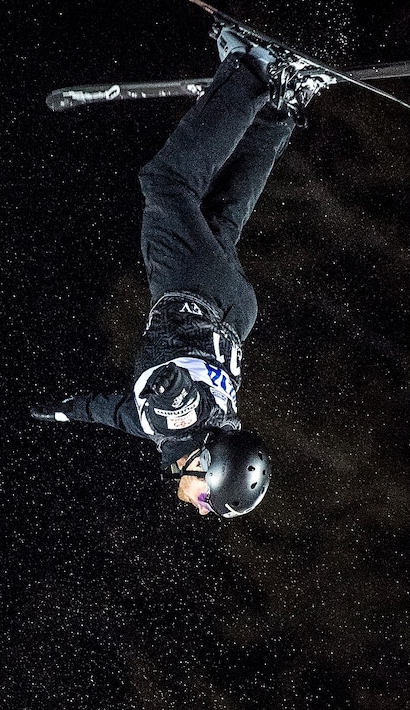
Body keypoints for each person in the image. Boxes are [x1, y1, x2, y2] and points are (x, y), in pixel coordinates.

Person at [30, 26, 334, 518]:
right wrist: (171, 390)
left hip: (235, 312)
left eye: (210, 509)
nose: (200, 508)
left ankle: (284, 106)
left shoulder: (194, 426)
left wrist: (64, 410)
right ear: (205, 465)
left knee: (219, 219)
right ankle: (252, 70)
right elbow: (178, 402)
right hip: (193, 292)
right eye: (209, 500)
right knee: (166, 184)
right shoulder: (176, 423)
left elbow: (113, 412)